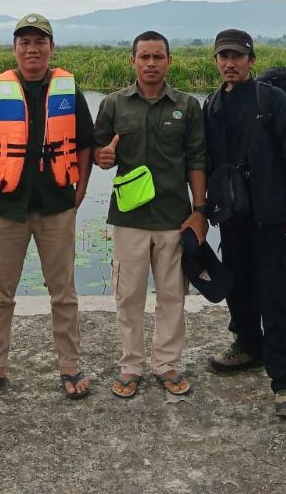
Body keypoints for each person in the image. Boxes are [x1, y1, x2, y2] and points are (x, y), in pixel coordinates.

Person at [0, 13, 93, 401]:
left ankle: (69, 365)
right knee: (0, 293)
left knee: (64, 291)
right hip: (5, 208)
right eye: (25, 42)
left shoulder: (69, 90)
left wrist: (79, 192)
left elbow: (85, 143)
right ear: (15, 48)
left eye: (40, 41)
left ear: (51, 48)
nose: (32, 48)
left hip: (56, 205)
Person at [93, 30, 207, 398]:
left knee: (173, 295)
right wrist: (103, 158)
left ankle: (167, 365)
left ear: (169, 61)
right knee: (128, 295)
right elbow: (98, 152)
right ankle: (131, 366)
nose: (151, 64)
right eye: (145, 57)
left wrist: (199, 211)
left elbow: (197, 160)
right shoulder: (113, 104)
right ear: (133, 61)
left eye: (158, 57)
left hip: (175, 217)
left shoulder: (188, 106)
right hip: (129, 219)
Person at [204, 29, 286, 419]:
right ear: (215, 61)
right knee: (240, 286)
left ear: (251, 60)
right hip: (233, 217)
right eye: (222, 57)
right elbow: (205, 162)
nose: (229, 63)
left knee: (277, 296)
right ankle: (249, 347)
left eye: (236, 56)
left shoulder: (273, 100)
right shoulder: (212, 104)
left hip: (273, 217)